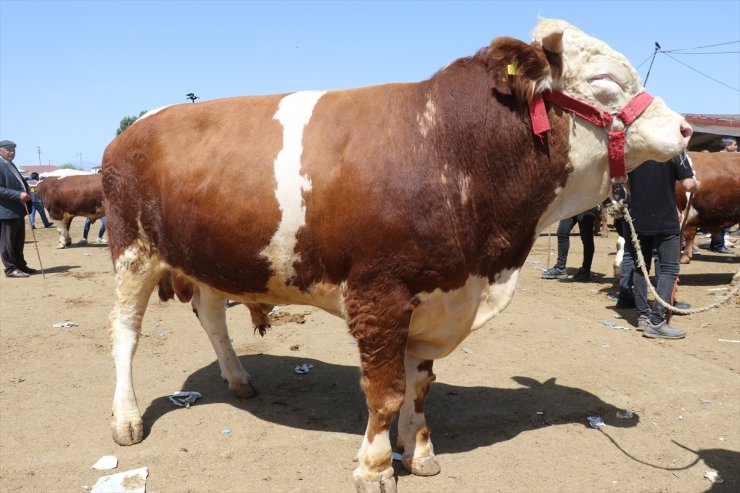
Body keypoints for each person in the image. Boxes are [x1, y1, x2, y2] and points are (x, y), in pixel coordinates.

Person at [626, 154, 699, 339]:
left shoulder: (634, 147)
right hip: (665, 218)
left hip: (637, 216)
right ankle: (656, 321)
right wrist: (698, 185)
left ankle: (643, 317)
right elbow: (688, 185)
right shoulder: (673, 150)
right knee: (669, 268)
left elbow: (622, 182)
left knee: (640, 266)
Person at [0, 140, 36, 278]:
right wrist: (18, 194)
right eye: (9, 149)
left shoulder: (10, 164)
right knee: (7, 242)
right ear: (0, 151)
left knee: (18, 241)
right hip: (6, 211)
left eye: (14, 150)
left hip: (18, 210)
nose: (12, 152)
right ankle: (10, 269)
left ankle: (20, 265)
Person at [541, 206, 598, 281]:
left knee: (586, 237)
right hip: (571, 204)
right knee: (562, 232)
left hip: (587, 204)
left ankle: (586, 270)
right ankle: (560, 268)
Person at [708, 136, 737, 254]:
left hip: (725, 191)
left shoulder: (729, 157)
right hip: (718, 192)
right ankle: (718, 245)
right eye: (734, 144)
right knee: (720, 218)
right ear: (727, 146)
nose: (736, 147)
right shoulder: (718, 158)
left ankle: (716, 244)